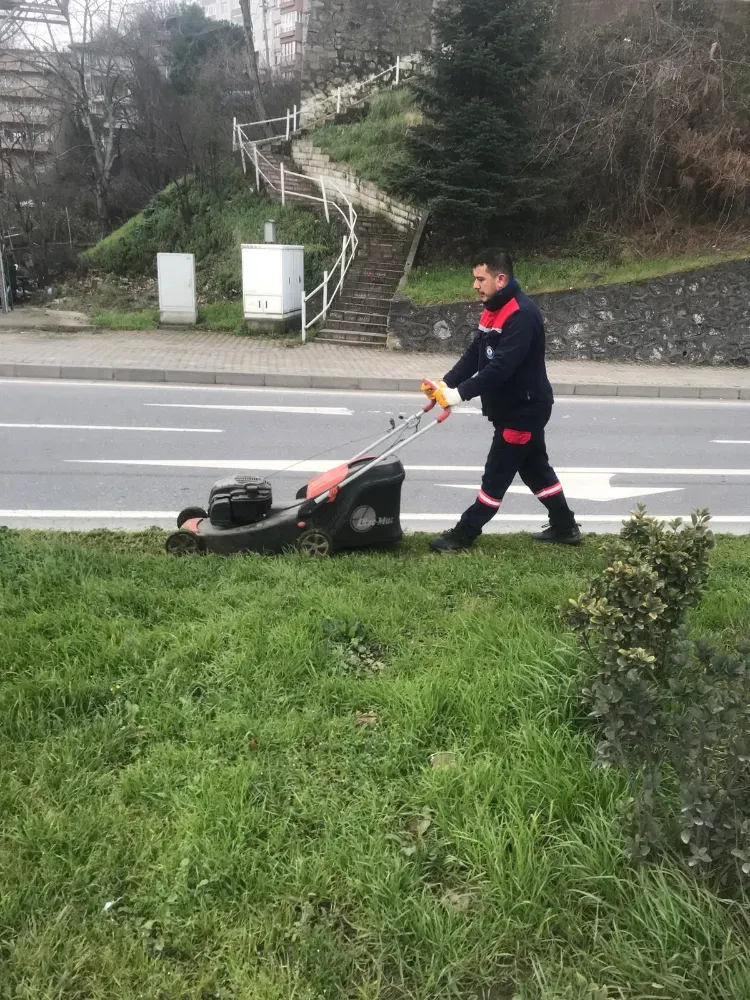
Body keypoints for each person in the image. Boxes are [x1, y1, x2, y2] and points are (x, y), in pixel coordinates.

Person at [422, 248, 582, 552]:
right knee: (536, 470)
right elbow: (475, 354)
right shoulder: (493, 308)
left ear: (501, 278)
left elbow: (501, 368)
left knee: (495, 476)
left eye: (480, 279)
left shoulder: (521, 315)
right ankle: (565, 527)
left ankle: (463, 535)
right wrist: (446, 383)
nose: (475, 285)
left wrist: (458, 395)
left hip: (523, 410)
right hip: (516, 407)